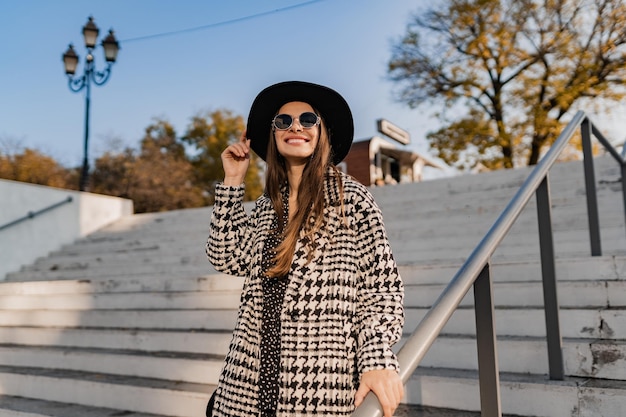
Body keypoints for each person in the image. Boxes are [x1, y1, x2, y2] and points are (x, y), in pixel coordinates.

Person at [206, 81, 404, 417]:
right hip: (245, 389)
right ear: (274, 135)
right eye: (283, 121)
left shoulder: (351, 199)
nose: (295, 126)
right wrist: (232, 182)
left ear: (322, 131)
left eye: (307, 119)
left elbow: (381, 288)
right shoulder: (269, 206)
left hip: (318, 391)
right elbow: (225, 255)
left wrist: (376, 357)